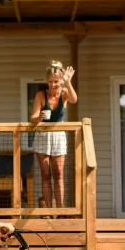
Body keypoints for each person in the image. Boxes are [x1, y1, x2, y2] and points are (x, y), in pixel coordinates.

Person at [30, 60, 78, 211]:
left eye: (56, 81)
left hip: (58, 136)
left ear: (60, 81)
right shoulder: (40, 95)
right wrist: (39, 118)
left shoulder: (64, 93)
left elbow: (74, 99)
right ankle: (49, 211)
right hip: (42, 136)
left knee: (58, 174)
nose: (53, 85)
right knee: (45, 175)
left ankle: (61, 210)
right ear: (46, 81)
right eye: (50, 81)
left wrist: (68, 83)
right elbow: (32, 118)